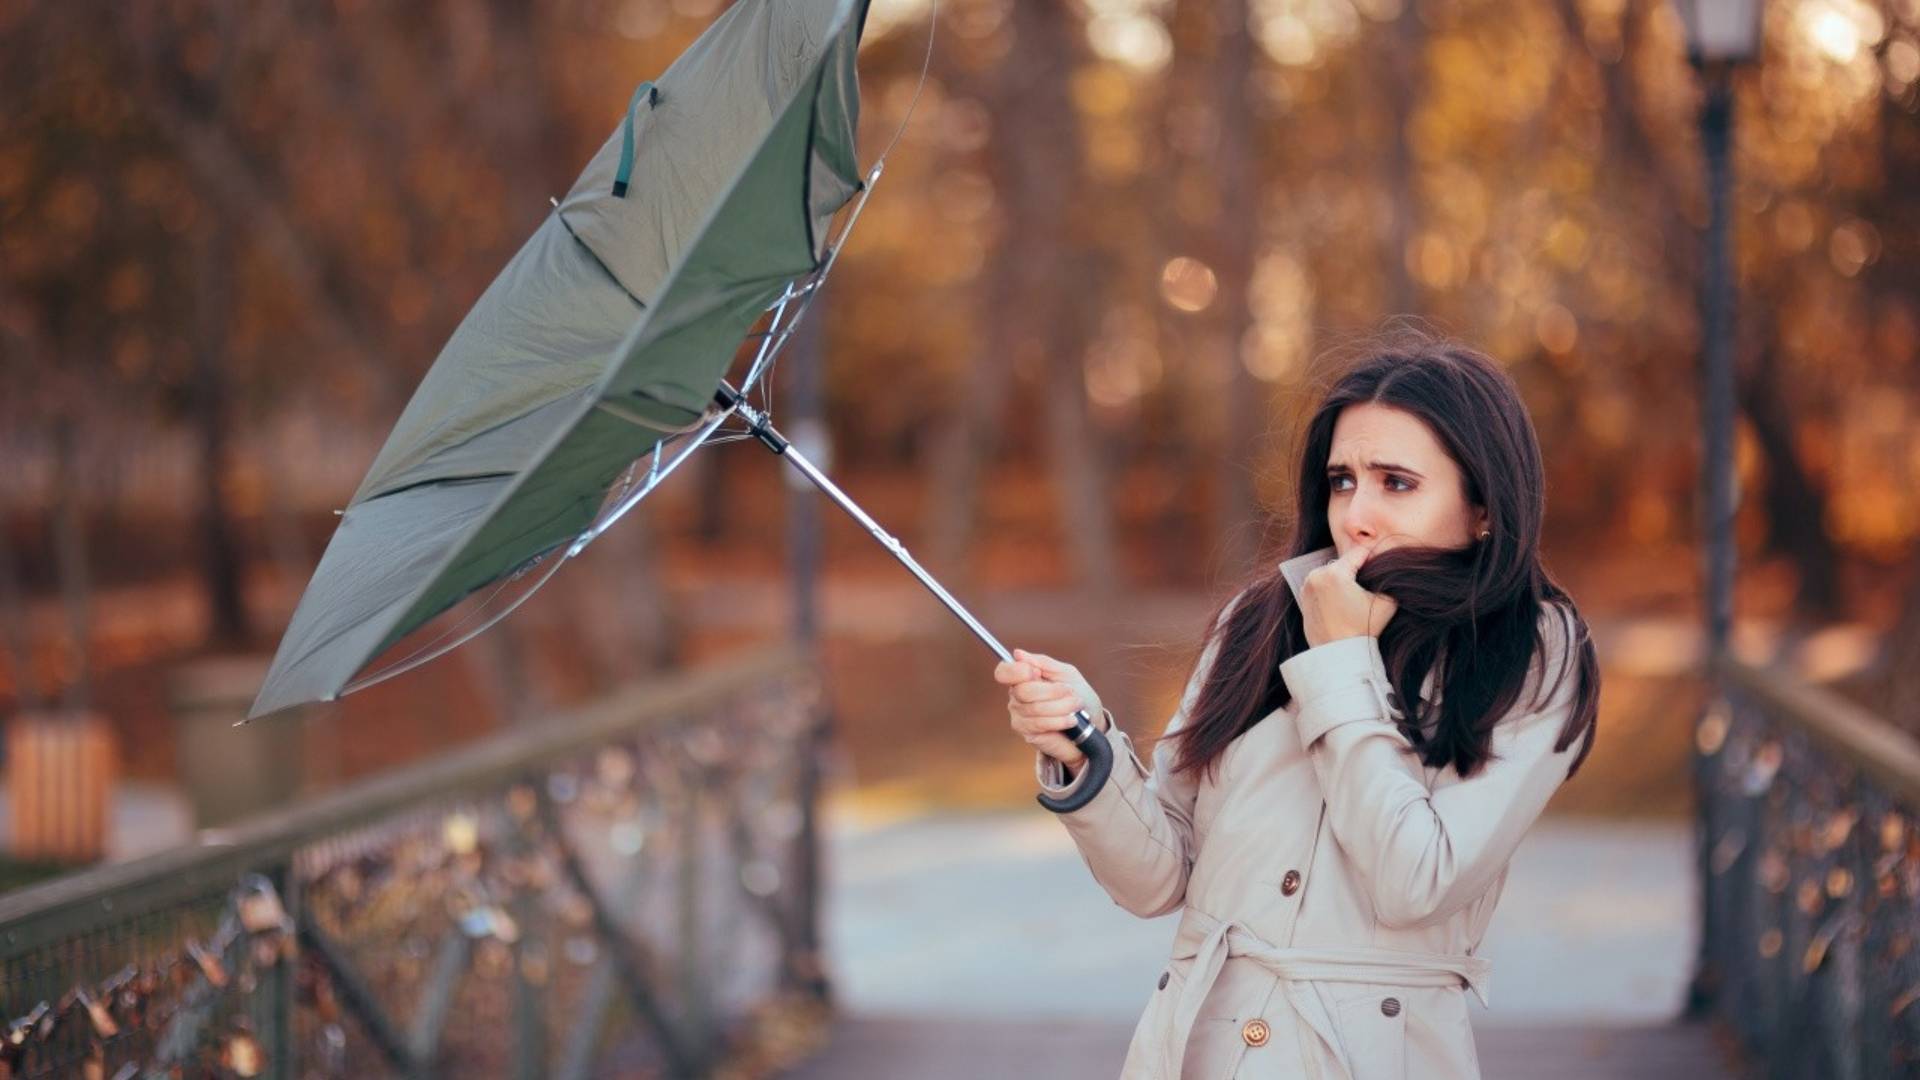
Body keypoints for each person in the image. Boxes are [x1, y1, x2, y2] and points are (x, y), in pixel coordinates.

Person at [994, 336, 1601, 1079]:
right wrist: (1082, 745)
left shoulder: (1532, 647)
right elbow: (1157, 876)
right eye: (1342, 481)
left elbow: (1417, 880)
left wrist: (1342, 662)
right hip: (1200, 1049)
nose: (1357, 514)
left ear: (1482, 506)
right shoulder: (1261, 617)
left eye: (1397, 483)